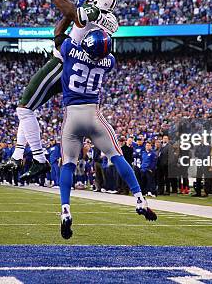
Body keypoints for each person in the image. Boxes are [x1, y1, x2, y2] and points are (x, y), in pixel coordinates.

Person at [9, 0, 119, 183]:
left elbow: (59, 0)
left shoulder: (91, 12)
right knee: (27, 108)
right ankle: (19, 154)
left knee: (24, 109)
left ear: (97, 1)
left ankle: (39, 159)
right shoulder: (107, 18)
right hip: (76, 62)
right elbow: (84, 10)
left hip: (64, 62)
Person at [56, 29, 157, 239]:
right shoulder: (108, 61)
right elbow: (104, 52)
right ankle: (139, 198)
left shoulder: (70, 49)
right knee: (117, 156)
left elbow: (60, 35)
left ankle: (65, 208)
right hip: (94, 114)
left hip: (72, 115)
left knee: (68, 164)